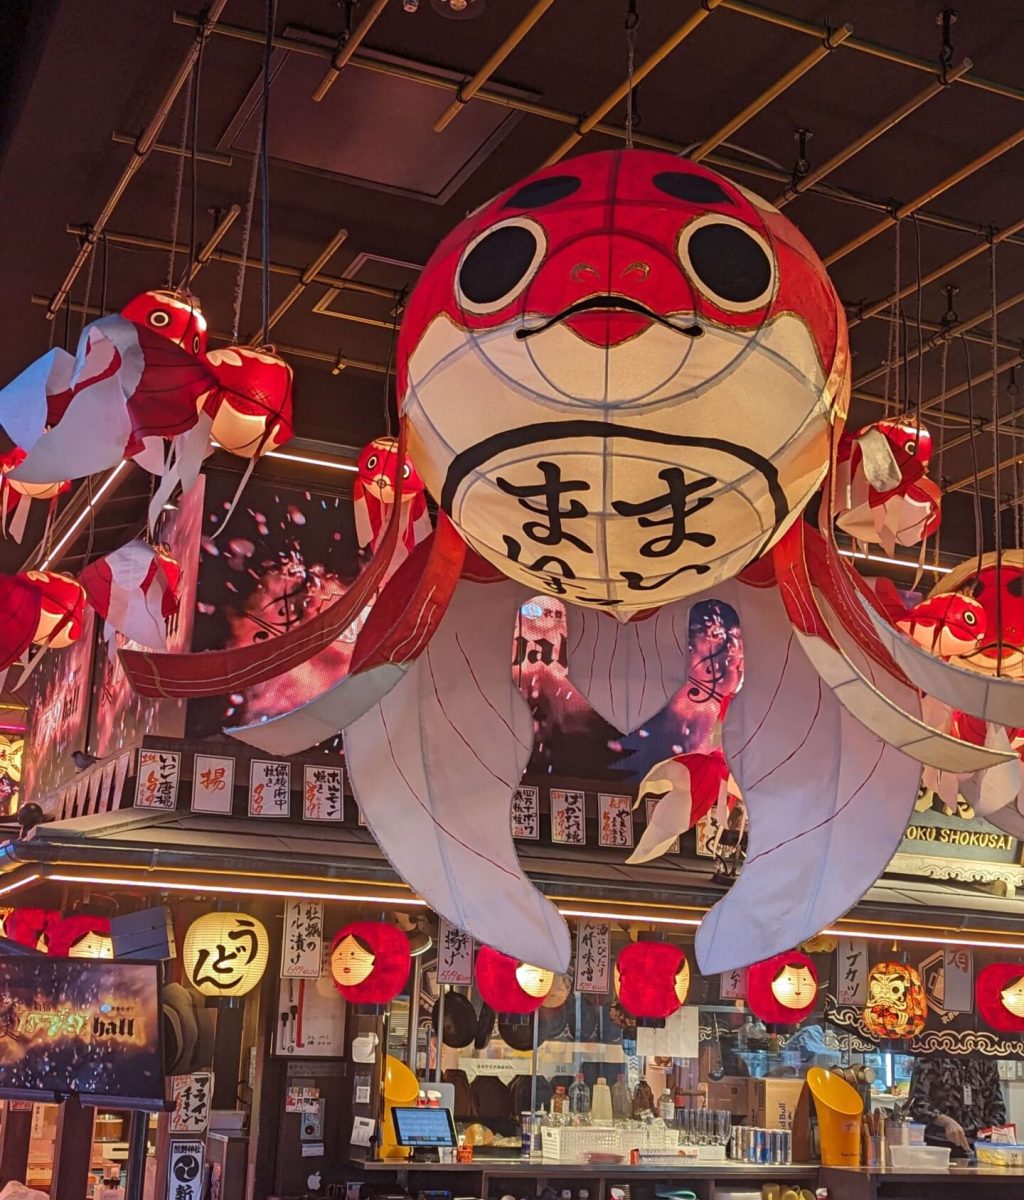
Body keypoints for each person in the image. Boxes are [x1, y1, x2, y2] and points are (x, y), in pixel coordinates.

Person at [907, 1055, 1006, 1150]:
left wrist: (993, 1133)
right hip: (938, 1144)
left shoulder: (987, 1059)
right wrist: (946, 1122)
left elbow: (996, 1105)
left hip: (980, 1145)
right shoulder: (930, 1055)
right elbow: (917, 1103)